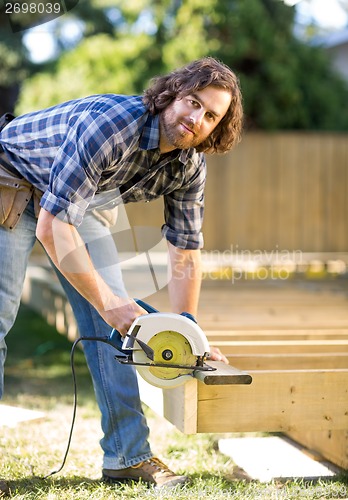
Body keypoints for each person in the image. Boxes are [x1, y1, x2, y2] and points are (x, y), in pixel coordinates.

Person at [0, 57, 243, 489]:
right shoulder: (114, 126)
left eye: (211, 115)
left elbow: (185, 251)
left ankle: (127, 458)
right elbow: (52, 226)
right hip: (11, 175)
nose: (196, 118)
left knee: (118, 324)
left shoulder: (188, 165)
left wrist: (190, 335)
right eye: (193, 102)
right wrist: (110, 301)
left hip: (79, 199)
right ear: (171, 94)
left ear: (219, 128)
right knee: (1, 315)